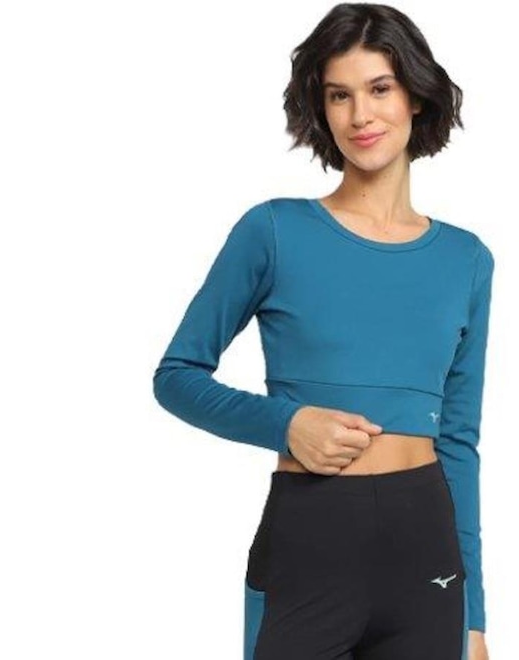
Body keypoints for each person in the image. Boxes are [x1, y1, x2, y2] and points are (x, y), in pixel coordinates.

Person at [153, 3, 495, 659]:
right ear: (321, 108)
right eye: (340, 95)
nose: (360, 115)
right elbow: (176, 377)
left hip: (427, 550)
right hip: (310, 539)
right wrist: (287, 424)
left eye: (379, 88)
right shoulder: (273, 231)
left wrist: (473, 616)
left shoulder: (467, 260)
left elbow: (458, 440)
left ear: (416, 96)